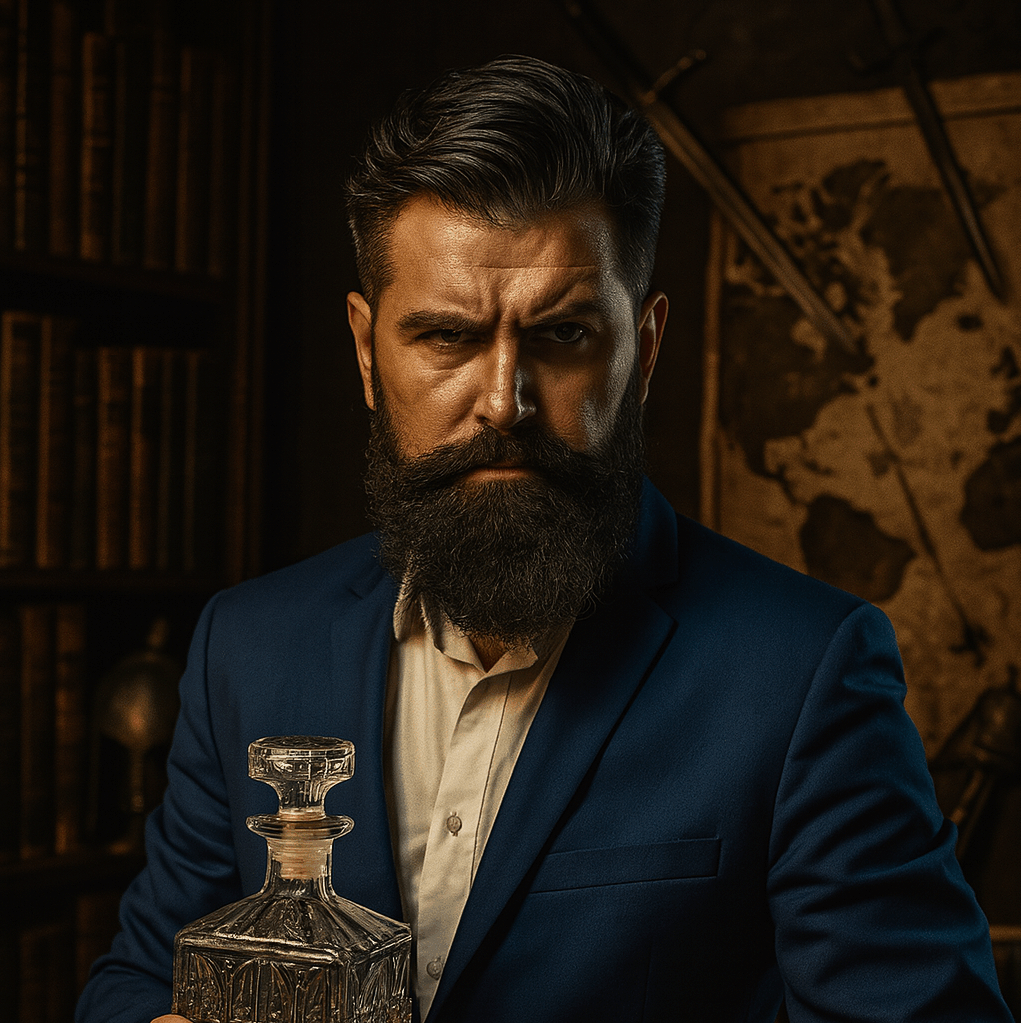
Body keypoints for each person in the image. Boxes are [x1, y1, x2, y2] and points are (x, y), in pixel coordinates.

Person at [77, 55, 1012, 1023]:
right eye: (445, 337)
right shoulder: (247, 646)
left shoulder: (805, 671)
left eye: (562, 337)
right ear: (366, 351)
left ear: (641, 352)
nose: (502, 402)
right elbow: (137, 981)